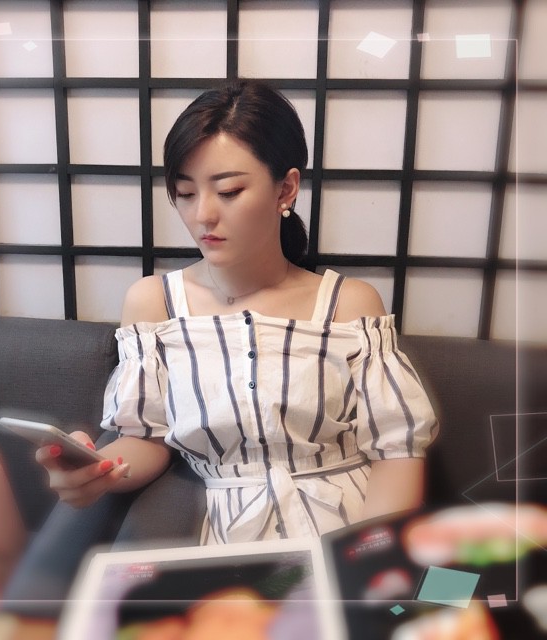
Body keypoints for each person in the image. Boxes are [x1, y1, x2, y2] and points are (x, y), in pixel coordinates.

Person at [35, 79, 439, 544]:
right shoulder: (153, 302)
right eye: (185, 193)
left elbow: (396, 452)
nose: (202, 215)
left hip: (349, 527)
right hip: (229, 541)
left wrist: (369, 558)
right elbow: (147, 439)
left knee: (455, 588)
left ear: (286, 188)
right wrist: (97, 470)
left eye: (228, 191)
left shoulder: (349, 303)